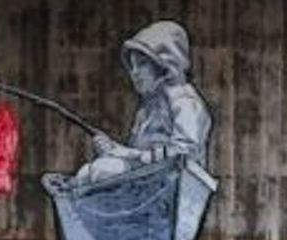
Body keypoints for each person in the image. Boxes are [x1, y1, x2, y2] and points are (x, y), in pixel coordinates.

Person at [58, 20, 212, 187]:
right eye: (132, 66)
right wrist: (112, 150)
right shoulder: (146, 111)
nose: (134, 73)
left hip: (173, 181)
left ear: (164, 64)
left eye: (142, 64)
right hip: (147, 181)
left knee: (103, 171)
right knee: (90, 172)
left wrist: (126, 155)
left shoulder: (185, 101)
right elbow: (136, 156)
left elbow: (185, 154)